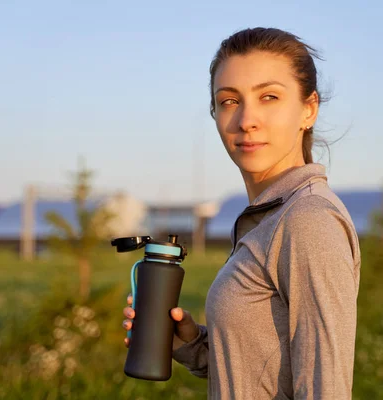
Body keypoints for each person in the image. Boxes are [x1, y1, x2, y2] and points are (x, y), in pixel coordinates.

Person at [123, 27, 361, 399]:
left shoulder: (308, 219)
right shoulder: (268, 216)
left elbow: (324, 388)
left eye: (269, 97)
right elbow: (258, 374)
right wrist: (192, 343)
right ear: (215, 112)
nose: (247, 119)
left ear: (308, 109)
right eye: (230, 101)